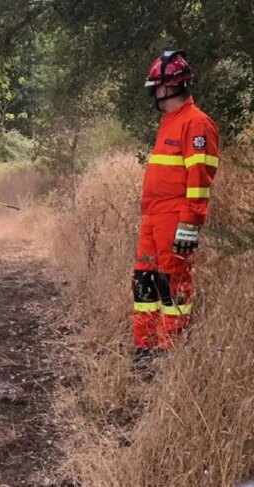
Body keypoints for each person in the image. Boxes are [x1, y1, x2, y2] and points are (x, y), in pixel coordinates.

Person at [132, 50, 220, 363]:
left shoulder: (196, 125)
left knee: (173, 286)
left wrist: (190, 225)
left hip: (175, 219)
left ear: (167, 88)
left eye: (155, 86)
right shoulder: (169, 122)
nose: (153, 92)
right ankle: (145, 349)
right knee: (145, 284)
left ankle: (171, 355)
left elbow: (199, 181)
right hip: (152, 218)